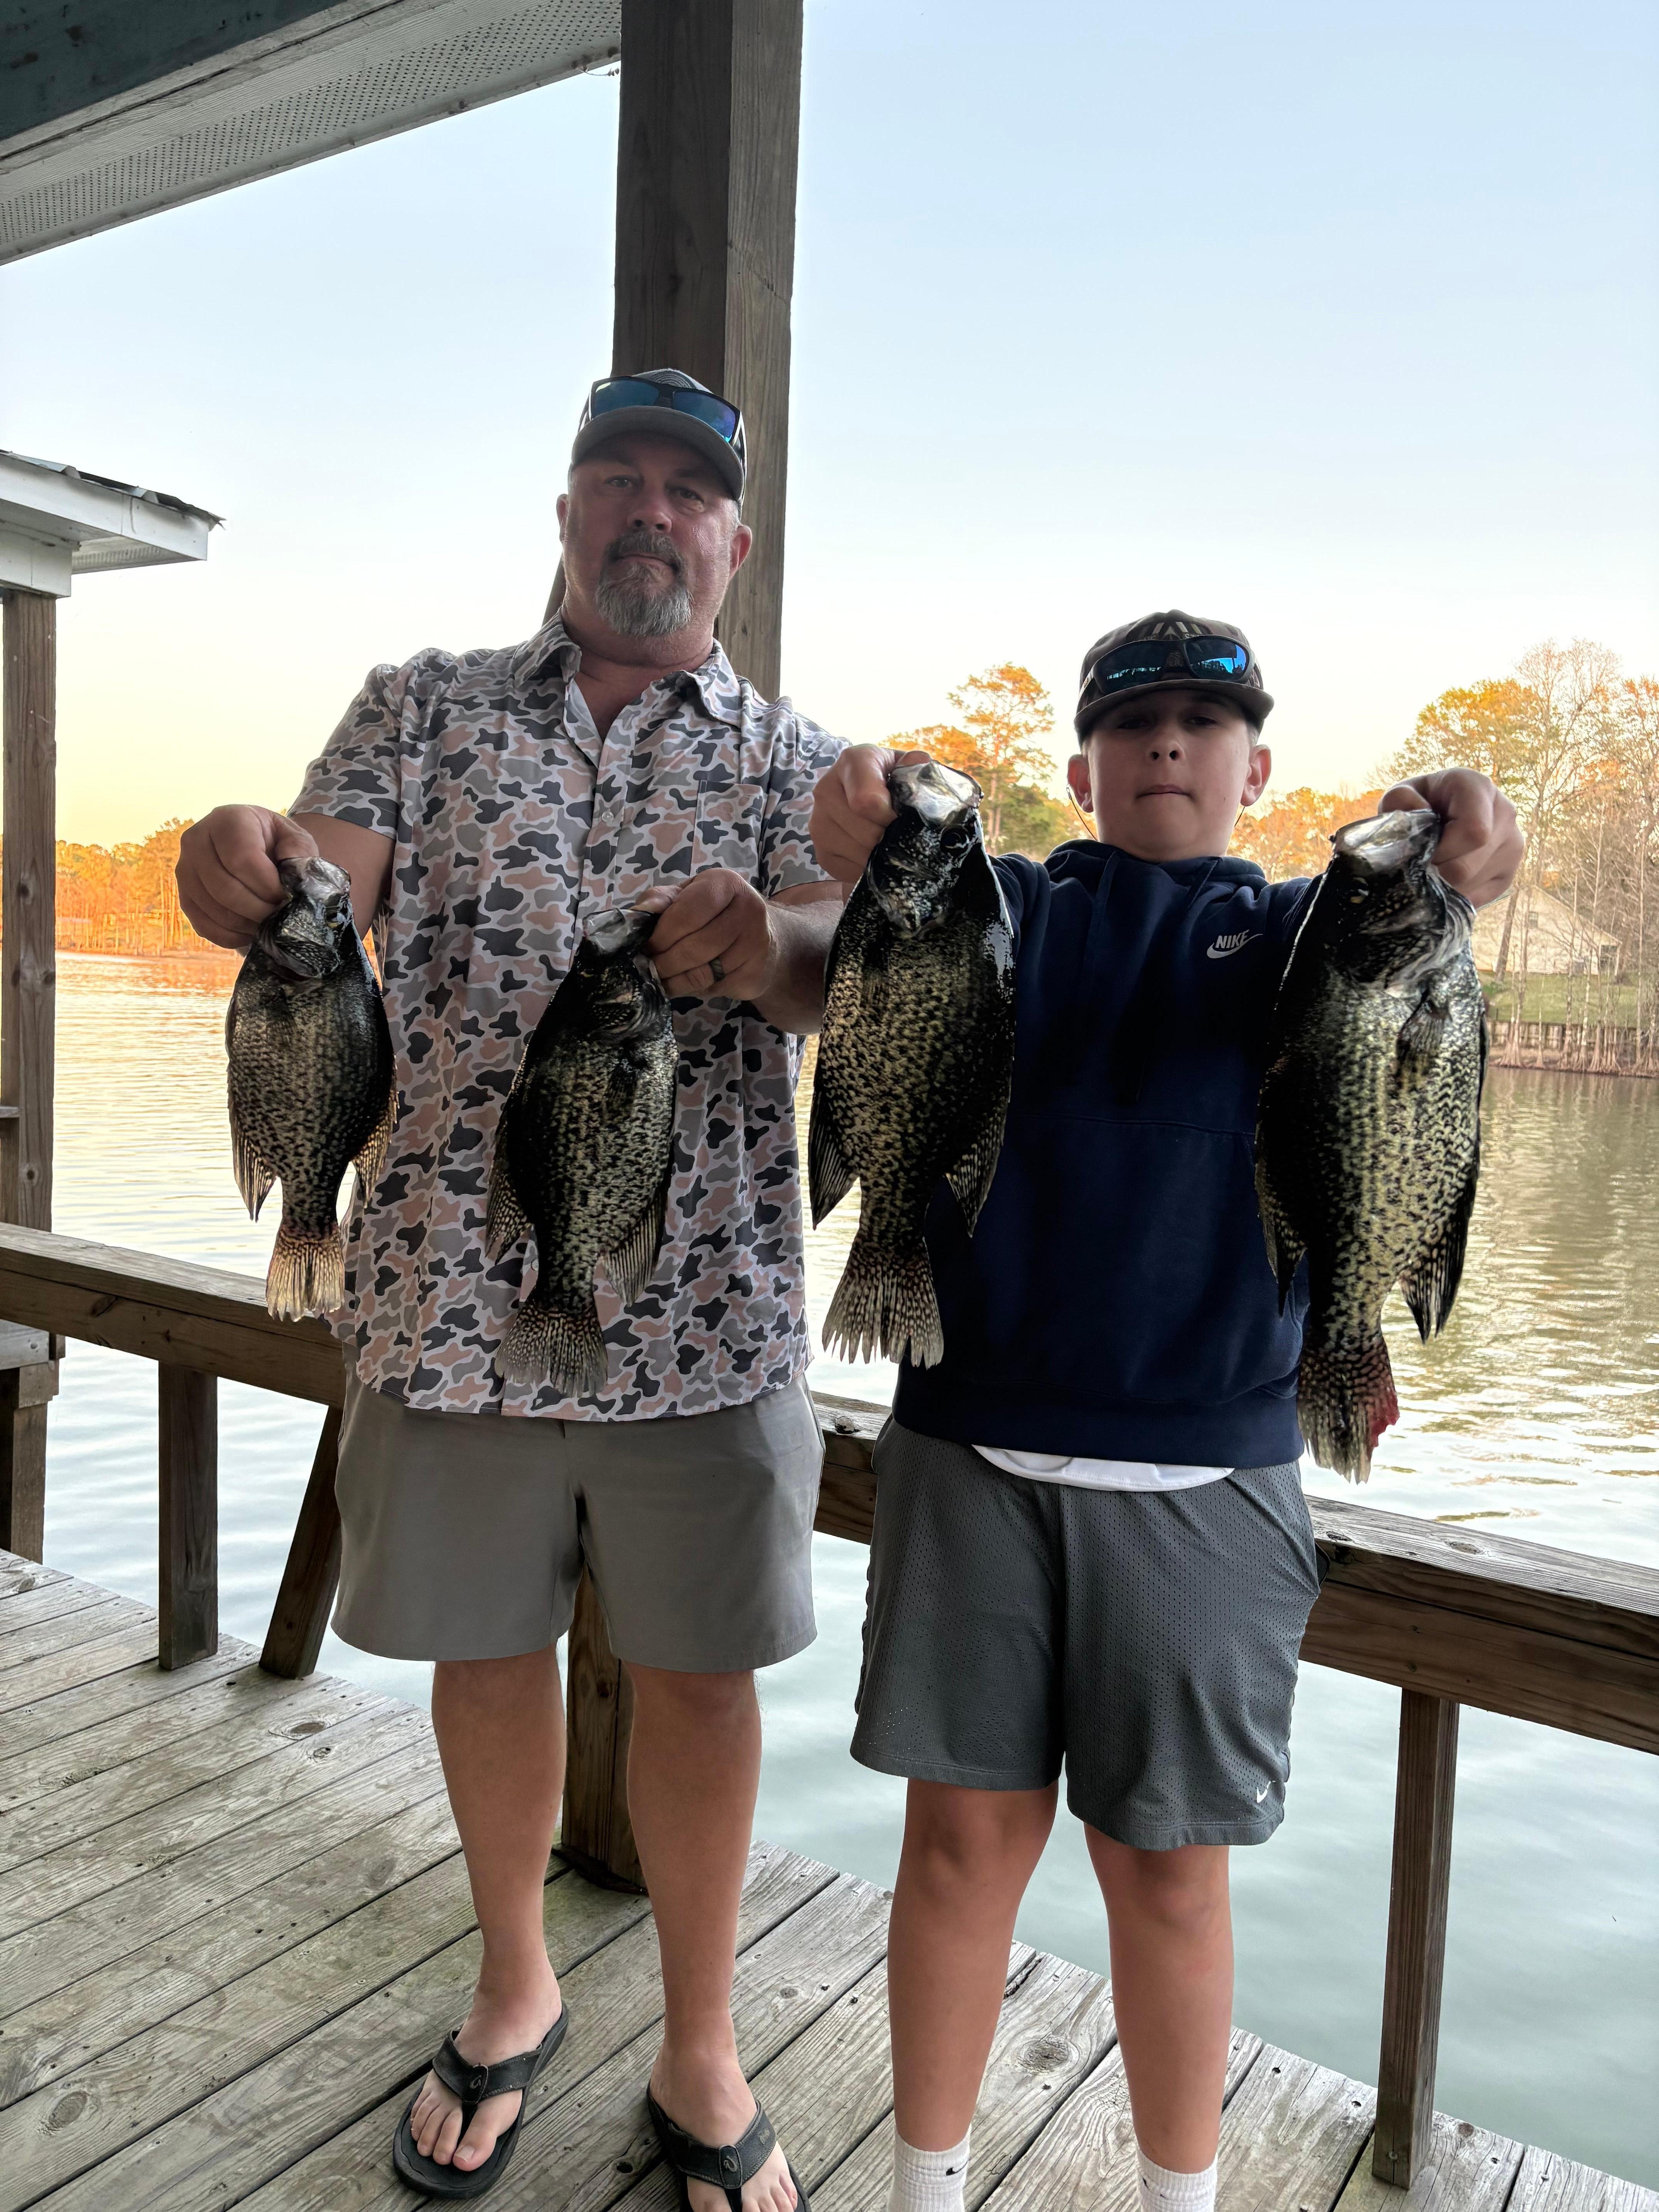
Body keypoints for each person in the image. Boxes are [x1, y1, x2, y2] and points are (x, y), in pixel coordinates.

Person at [177, 369, 844, 2211]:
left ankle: (703, 2048)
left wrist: (777, 939)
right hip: (446, 1300)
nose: (650, 511)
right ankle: (512, 1978)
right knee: (491, 1657)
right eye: (614, 479)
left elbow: (838, 973)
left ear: (732, 538)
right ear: (565, 517)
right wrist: (232, 864)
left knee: (703, 1684)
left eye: (688, 491)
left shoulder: (796, 759)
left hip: (705, 1307)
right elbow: (315, 891)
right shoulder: (421, 706)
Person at [807, 612, 1522, 2212]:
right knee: (956, 1852)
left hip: (1209, 1468)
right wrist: (859, 818)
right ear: (1081, 769)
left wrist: (1476, 819)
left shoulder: (1297, 935)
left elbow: (1448, 890)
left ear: (1258, 768)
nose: (1171, 747)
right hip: (968, 1445)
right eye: (1135, 725)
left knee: (1170, 1882)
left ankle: (1177, 2202)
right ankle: (927, 2189)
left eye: (1208, 723)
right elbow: (868, 897)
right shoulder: (1008, 912)